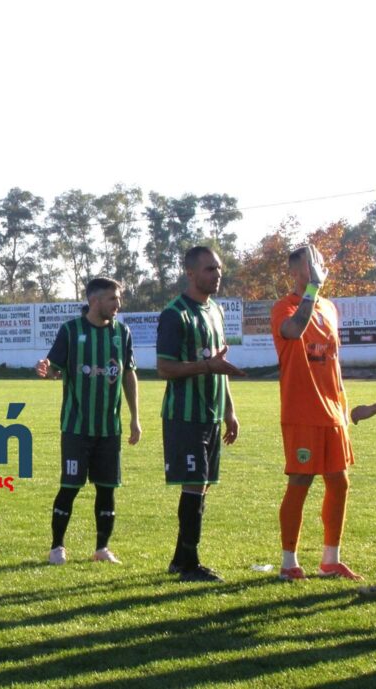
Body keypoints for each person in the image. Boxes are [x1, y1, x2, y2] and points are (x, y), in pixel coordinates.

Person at [271, 245, 361, 581]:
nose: (318, 269)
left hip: (333, 412)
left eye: (320, 263)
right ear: (295, 272)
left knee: (340, 482)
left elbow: (334, 360)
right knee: (301, 480)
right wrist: (312, 289)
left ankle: (330, 560)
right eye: (311, 265)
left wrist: (343, 404)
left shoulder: (329, 307)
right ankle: (289, 563)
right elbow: (294, 330)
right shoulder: (284, 307)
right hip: (302, 411)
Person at [36, 277, 141, 566]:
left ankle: (102, 548)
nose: (118, 304)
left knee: (107, 488)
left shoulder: (122, 332)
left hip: (109, 428)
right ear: (94, 300)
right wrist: (47, 369)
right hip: (76, 428)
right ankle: (57, 547)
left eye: (118, 299)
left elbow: (128, 373)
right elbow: (55, 367)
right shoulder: (71, 331)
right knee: (70, 487)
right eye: (112, 299)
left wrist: (135, 418)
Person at [156, 247, 244, 582]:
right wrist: (206, 366)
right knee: (194, 485)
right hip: (184, 414)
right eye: (209, 269)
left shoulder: (216, 311)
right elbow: (164, 368)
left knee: (203, 485)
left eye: (218, 268)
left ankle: (180, 560)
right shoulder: (175, 314)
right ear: (190, 273)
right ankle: (190, 564)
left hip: (211, 413)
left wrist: (229, 410)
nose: (217, 274)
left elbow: (219, 365)